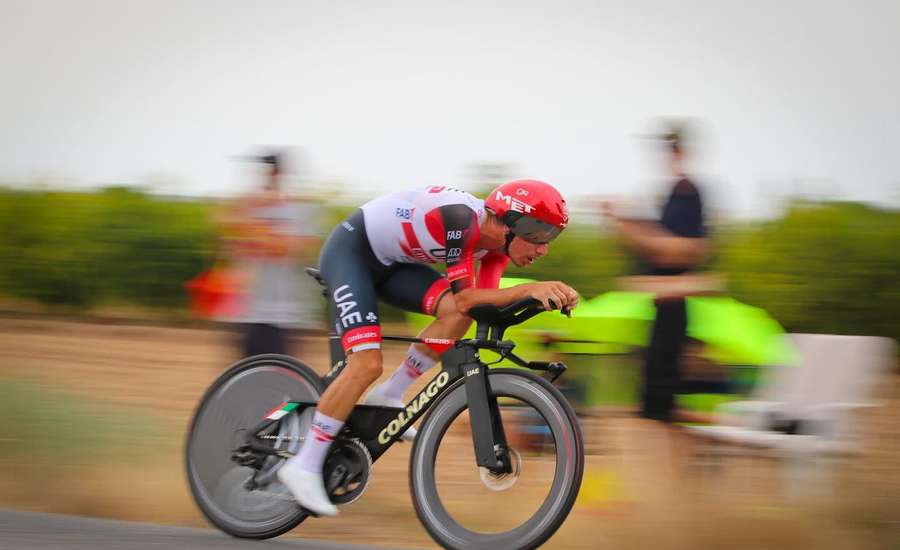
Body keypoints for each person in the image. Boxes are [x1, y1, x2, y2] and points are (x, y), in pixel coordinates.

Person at [278, 180, 579, 516]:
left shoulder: (498, 249)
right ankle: (304, 465)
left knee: (456, 314)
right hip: (352, 253)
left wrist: (541, 301)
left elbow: (480, 304)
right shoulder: (461, 220)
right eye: (540, 237)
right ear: (512, 224)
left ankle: (390, 394)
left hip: (392, 265)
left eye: (550, 239)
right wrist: (531, 289)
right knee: (366, 365)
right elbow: (468, 297)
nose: (543, 250)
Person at [604, 121, 710, 424]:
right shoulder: (678, 192)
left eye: (670, 148)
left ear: (680, 152)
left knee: (659, 403)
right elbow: (661, 245)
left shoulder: (687, 192)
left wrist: (626, 221)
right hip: (661, 304)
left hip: (673, 302)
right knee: (654, 396)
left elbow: (678, 250)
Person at [221, 152, 321, 358]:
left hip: (285, 314)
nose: (263, 178)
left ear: (279, 173)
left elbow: (293, 248)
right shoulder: (246, 207)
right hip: (246, 313)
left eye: (268, 171)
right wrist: (247, 211)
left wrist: (254, 229)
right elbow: (227, 231)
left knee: (282, 379)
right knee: (241, 379)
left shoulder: (301, 209)